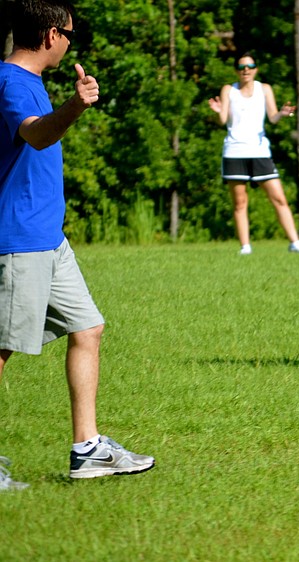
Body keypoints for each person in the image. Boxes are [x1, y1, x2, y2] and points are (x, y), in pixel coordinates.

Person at [0, 0, 155, 490]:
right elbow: (37, 136)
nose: (71, 41)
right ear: (50, 34)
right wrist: (75, 106)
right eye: (70, 32)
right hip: (19, 240)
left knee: (88, 328)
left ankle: (87, 449)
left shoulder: (31, 83)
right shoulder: (9, 83)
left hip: (49, 238)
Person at [208, 52, 299, 256]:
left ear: (256, 69)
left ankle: (295, 243)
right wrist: (218, 111)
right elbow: (222, 120)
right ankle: (245, 247)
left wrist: (281, 113)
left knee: (279, 198)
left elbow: (272, 117)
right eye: (242, 66)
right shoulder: (229, 90)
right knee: (240, 202)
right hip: (234, 152)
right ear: (237, 70)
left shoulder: (265, 89)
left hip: (259, 151)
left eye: (250, 66)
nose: (246, 70)